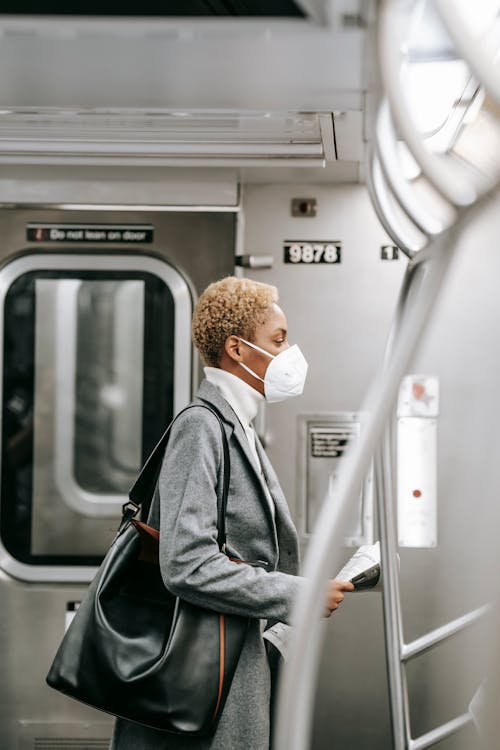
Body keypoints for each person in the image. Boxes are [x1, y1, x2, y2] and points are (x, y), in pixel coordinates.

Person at [110, 276, 353, 750]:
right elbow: (186, 563)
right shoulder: (201, 428)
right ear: (238, 350)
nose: (289, 355)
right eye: (278, 342)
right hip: (204, 679)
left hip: (232, 667)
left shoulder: (235, 427)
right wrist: (294, 595)